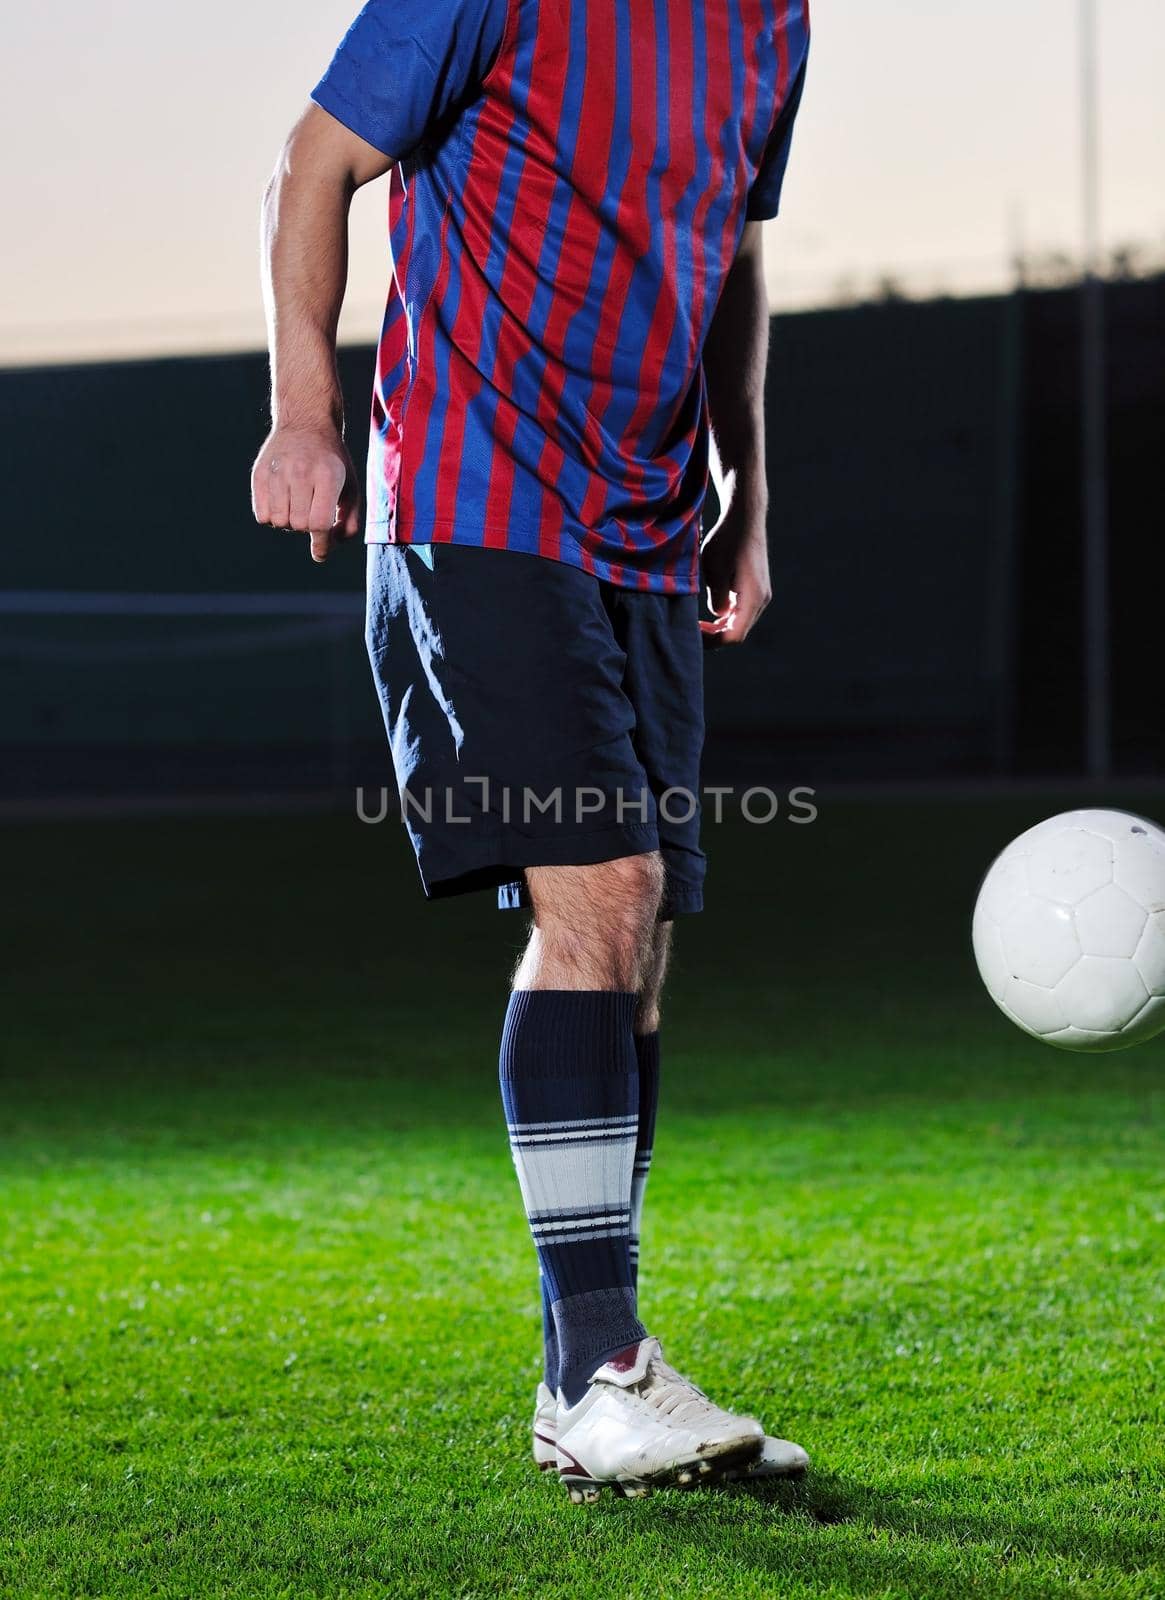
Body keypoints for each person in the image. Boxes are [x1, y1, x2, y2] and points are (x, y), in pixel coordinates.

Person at [252, 0, 811, 1502]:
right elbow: (311, 164)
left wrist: (745, 490)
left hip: (639, 530)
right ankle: (598, 1367)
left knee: (636, 938)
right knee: (605, 891)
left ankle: (591, 1375)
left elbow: (733, 252)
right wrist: (304, 414)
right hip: (472, 498)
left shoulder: (773, 18)